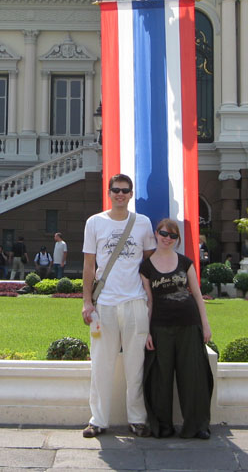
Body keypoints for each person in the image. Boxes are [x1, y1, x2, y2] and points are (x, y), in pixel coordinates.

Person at [81, 173, 155, 439]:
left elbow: (149, 265)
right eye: (116, 190)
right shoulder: (95, 223)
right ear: (109, 193)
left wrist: (151, 301)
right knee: (101, 364)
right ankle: (98, 419)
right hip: (105, 304)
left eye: (125, 190)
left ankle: (137, 419)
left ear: (131, 194)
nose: (120, 194)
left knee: (135, 366)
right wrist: (87, 301)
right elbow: (89, 266)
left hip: (135, 302)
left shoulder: (143, 224)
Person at [139, 218, 213, 439]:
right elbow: (149, 302)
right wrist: (147, 331)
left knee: (192, 376)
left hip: (188, 324)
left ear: (177, 239)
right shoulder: (146, 266)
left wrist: (205, 324)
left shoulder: (185, 262)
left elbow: (197, 295)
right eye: (163, 234)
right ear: (156, 234)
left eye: (172, 236)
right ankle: (163, 425)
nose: (167, 239)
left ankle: (197, 425)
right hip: (161, 326)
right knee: (161, 378)